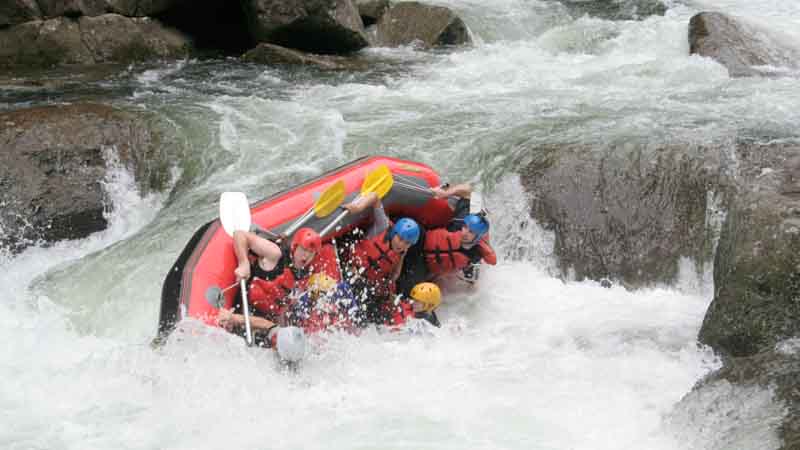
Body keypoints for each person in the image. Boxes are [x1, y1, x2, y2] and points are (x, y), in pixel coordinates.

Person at [217, 227, 322, 348]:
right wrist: (243, 263)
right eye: (304, 249)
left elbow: (282, 308)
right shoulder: (275, 254)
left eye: (311, 253)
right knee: (277, 332)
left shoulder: (302, 274)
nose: (306, 255)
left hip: (264, 323)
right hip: (244, 312)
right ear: (295, 247)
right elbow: (239, 234)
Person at [397, 183, 497, 297]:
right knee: (407, 227)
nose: (464, 232)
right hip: (421, 240)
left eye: (471, 232)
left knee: (407, 292)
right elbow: (468, 190)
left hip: (424, 265)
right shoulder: (460, 223)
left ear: (478, 237)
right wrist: (445, 193)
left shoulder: (475, 255)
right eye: (465, 227)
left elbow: (472, 281)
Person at [339, 191, 421, 324]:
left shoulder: (402, 251)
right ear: (394, 233)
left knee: (372, 314)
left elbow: (395, 273)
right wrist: (358, 207)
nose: (402, 245)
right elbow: (375, 197)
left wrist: (389, 288)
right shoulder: (382, 227)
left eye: (407, 243)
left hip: (369, 285)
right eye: (400, 239)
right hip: (350, 270)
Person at [289, 273, 362, 333]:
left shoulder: (341, 289)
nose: (327, 302)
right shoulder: (305, 301)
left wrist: (351, 325)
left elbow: (353, 310)